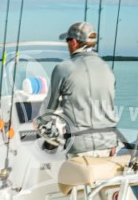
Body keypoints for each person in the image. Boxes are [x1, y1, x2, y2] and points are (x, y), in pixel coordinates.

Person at [42, 21, 120, 157]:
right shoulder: (107, 68)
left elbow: (50, 107)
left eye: (67, 41)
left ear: (73, 42)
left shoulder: (63, 68)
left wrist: (39, 124)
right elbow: (110, 106)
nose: (67, 45)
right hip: (109, 143)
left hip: (80, 146)